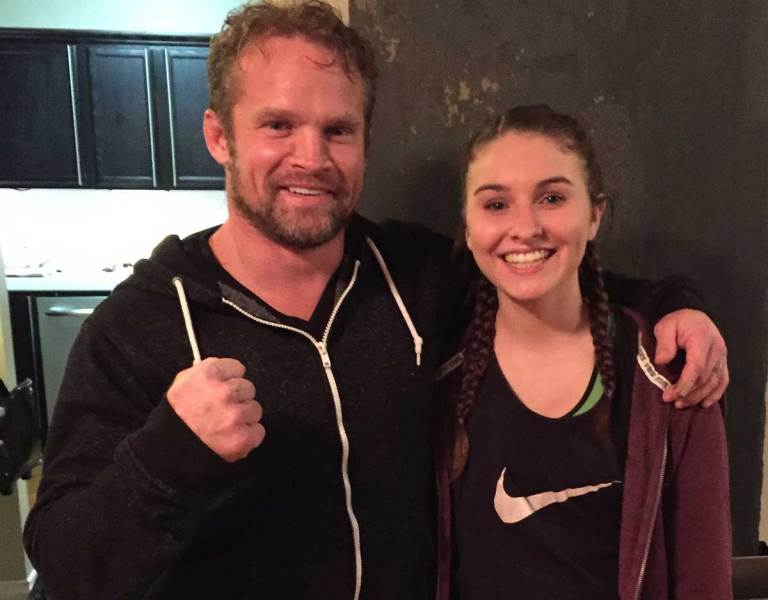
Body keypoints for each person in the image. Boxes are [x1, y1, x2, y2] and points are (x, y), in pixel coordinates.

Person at [23, 3, 728, 599]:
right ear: (219, 137)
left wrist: (676, 304)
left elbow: (541, 265)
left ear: (364, 141)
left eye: (338, 130)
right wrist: (168, 456)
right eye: (277, 126)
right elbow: (65, 561)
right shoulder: (140, 325)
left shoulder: (412, 272)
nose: (311, 157)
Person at [435, 105, 731, 599]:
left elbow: (704, 578)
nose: (525, 227)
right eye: (495, 204)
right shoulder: (440, 380)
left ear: (594, 214)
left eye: (551, 197)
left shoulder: (670, 377)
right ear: (467, 228)